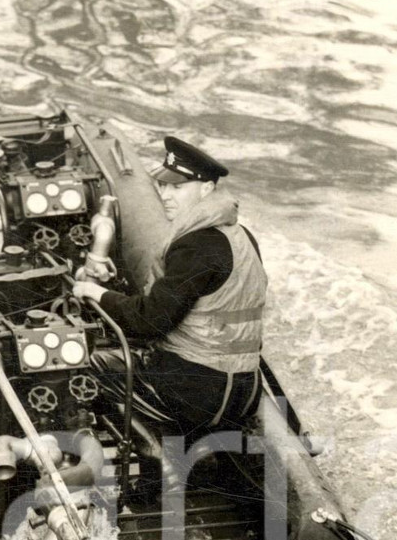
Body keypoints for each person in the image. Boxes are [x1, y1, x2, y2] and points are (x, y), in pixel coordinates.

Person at [73, 136, 266, 444]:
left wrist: (96, 293)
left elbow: (148, 322)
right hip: (244, 387)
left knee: (94, 364)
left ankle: (154, 463)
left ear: (206, 189)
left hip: (201, 394)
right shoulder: (240, 235)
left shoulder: (195, 245)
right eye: (163, 186)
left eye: (178, 187)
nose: (165, 195)